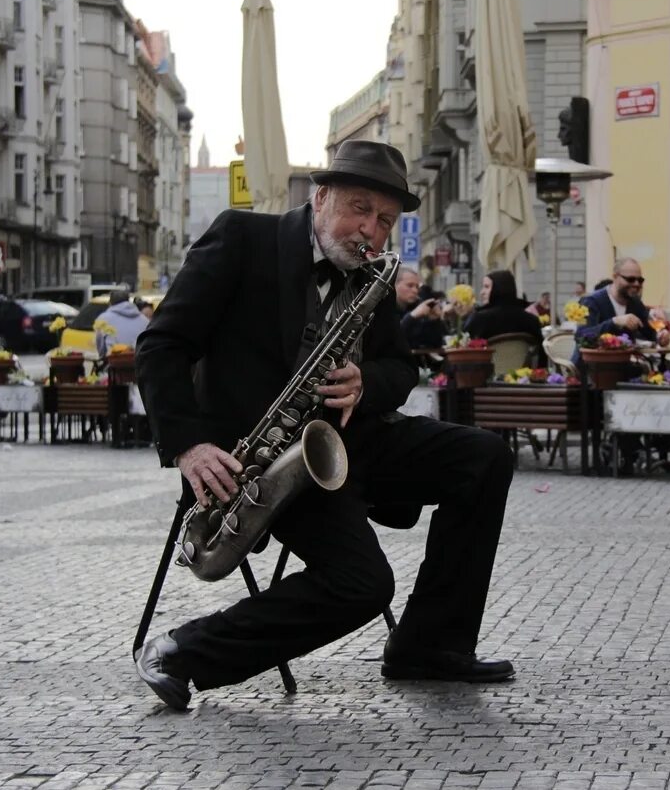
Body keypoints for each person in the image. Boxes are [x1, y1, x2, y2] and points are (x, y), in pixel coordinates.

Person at [133, 139, 515, 711]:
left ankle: (430, 645)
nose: (371, 229)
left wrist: (365, 380)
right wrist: (189, 446)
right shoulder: (242, 238)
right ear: (321, 198)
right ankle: (183, 653)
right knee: (363, 583)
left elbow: (399, 367)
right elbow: (162, 346)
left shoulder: (371, 275)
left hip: (350, 442)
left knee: (486, 456)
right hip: (265, 462)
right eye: (360, 208)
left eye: (385, 221)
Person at [575, 258, 670, 348]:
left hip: (622, 363)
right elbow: (581, 336)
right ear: (615, 277)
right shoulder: (591, 301)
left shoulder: (635, 303)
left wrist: (660, 336)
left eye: (640, 280)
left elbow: (648, 330)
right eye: (630, 279)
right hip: (590, 363)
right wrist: (614, 322)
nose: (636, 284)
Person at [464, 270, 543, 348]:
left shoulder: (479, 319)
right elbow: (540, 351)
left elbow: (463, 345)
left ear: (498, 288)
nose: (482, 292)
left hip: (486, 360)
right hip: (523, 360)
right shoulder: (531, 320)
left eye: (486, 287)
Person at [94, 289, 150, 357]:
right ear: (128, 301)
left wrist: (103, 356)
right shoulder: (145, 320)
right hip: (141, 363)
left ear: (110, 302)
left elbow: (100, 346)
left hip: (115, 363)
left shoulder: (102, 319)